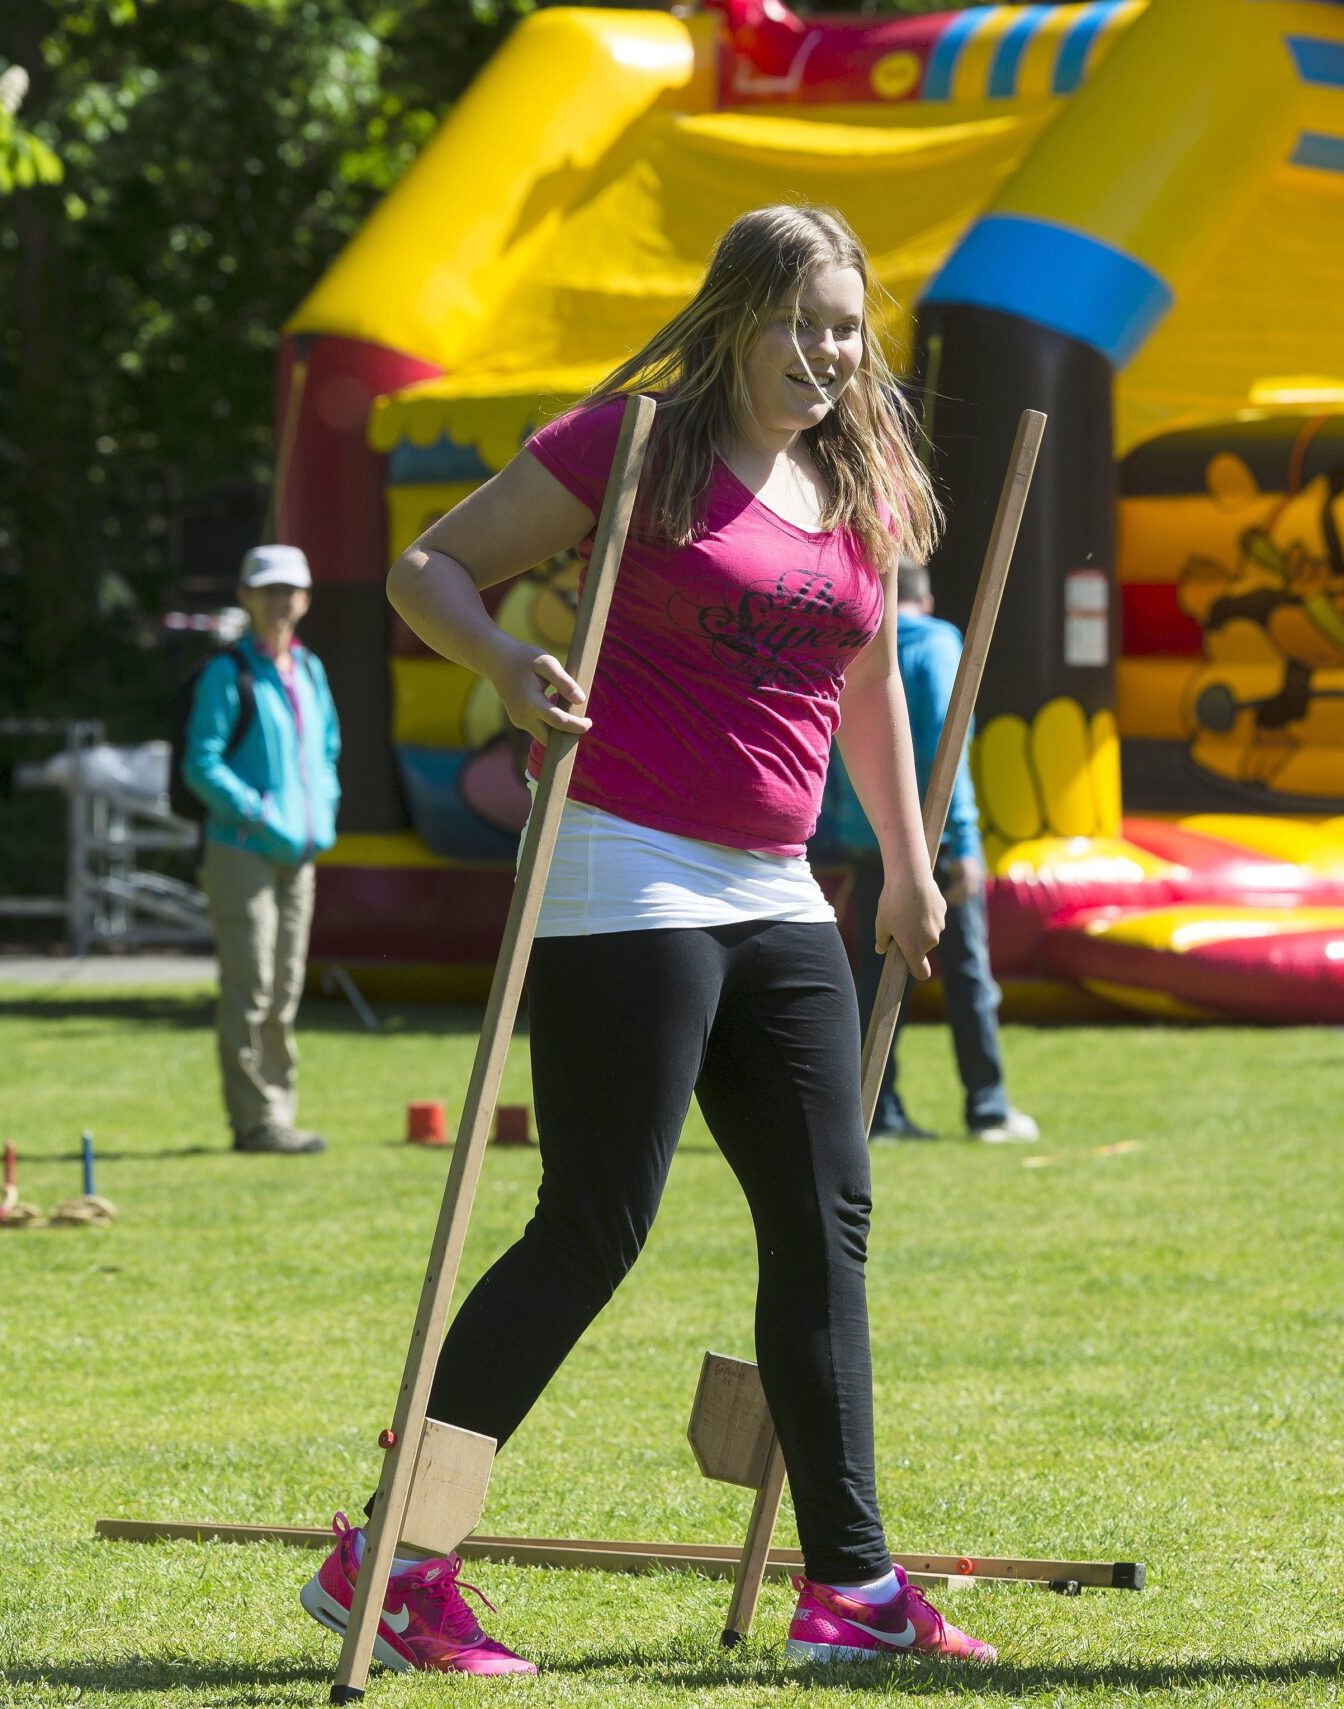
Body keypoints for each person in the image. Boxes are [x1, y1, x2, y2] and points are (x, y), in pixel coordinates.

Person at [295, 205, 995, 1673]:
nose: (825, 352)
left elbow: (864, 690)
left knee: (826, 1221)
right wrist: (503, 661)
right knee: (595, 1223)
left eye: (846, 326)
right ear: (737, 314)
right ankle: (392, 1555)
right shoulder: (634, 447)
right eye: (801, 321)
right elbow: (431, 567)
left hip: (783, 884)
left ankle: (852, 1589)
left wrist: (910, 868)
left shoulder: (856, 472)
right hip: (628, 868)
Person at [814, 559, 1039, 1144]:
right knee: (966, 975)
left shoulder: (856, 643)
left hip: (868, 840)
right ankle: (987, 1108)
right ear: (928, 599)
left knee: (874, 980)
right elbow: (948, 740)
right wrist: (963, 840)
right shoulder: (939, 643)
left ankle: (877, 1109)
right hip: (934, 844)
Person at [185, 544, 342, 1155]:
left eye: (290, 590)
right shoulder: (229, 673)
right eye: (267, 589)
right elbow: (201, 763)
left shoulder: (310, 670)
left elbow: (326, 751)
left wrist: (320, 813)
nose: (280, 601)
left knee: (284, 989)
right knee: (249, 987)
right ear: (247, 597)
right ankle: (257, 1122)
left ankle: (278, 1113)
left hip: (299, 854)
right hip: (240, 849)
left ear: (304, 600)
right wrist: (258, 813)